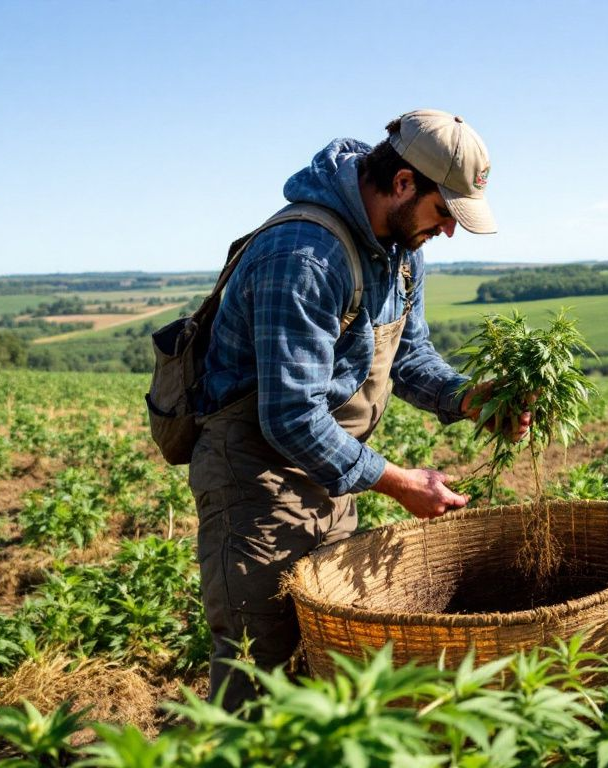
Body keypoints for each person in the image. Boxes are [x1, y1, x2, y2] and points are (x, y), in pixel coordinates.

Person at [189, 109, 527, 711]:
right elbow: (291, 416)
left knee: (328, 653)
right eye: (444, 211)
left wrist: (471, 398)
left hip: (330, 476)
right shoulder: (305, 255)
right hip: (255, 479)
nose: (448, 231)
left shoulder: (400, 249)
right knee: (257, 662)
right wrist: (400, 483)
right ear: (402, 184)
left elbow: (410, 354)